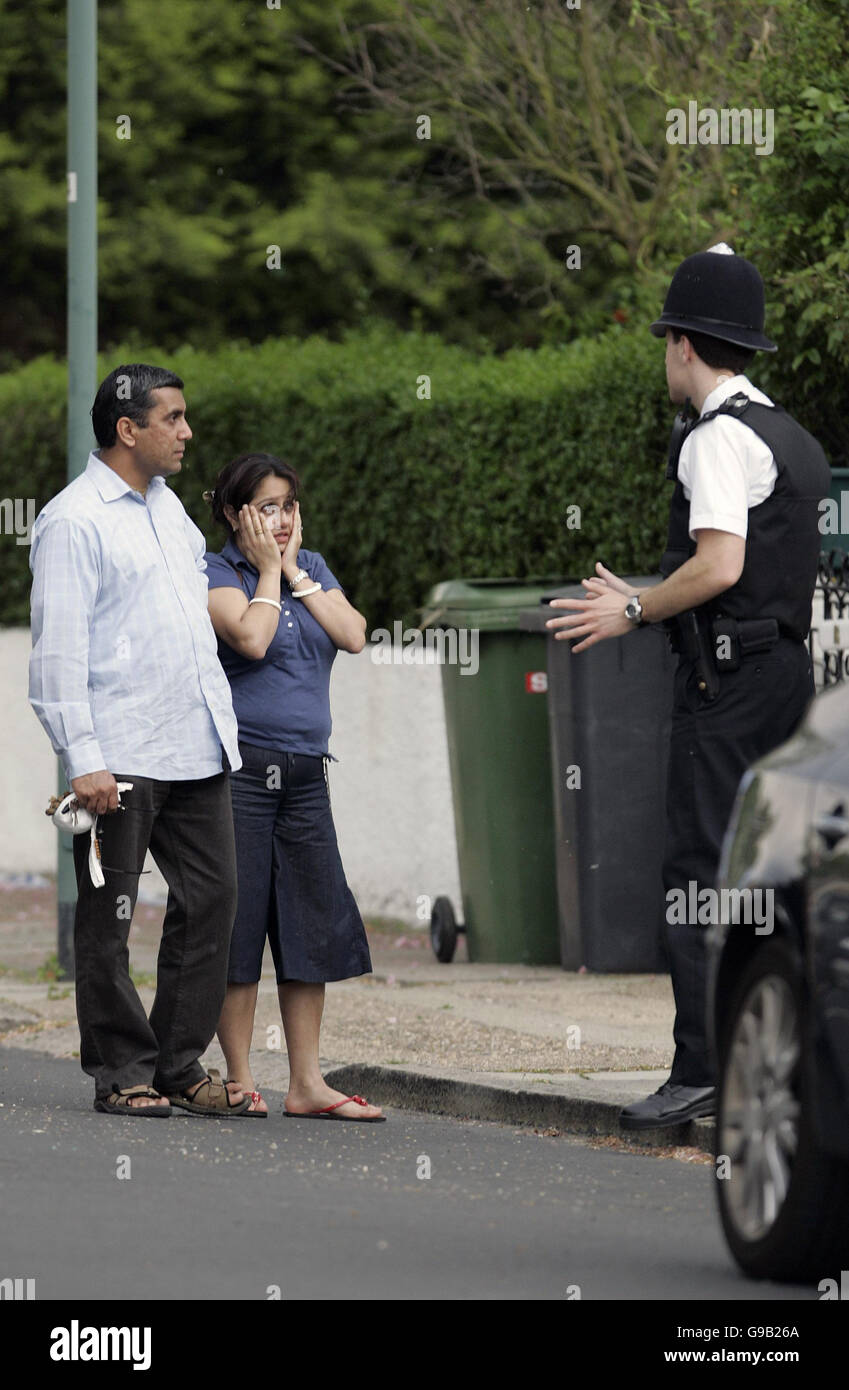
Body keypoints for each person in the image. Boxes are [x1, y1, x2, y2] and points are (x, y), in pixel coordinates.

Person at [545, 245, 831, 1129]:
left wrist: (633, 608)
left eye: (664, 340)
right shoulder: (793, 437)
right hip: (784, 674)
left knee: (700, 869)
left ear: (680, 343)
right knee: (770, 874)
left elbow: (715, 566)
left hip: (726, 680)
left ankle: (702, 1068)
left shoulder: (715, 438)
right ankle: (774, 1059)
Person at [29, 364, 252, 1117]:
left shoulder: (172, 511)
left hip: (195, 749)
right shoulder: (73, 520)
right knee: (109, 916)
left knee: (214, 899)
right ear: (129, 429)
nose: (188, 433)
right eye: (175, 419)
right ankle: (122, 1069)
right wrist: (83, 756)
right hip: (116, 761)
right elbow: (56, 653)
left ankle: (176, 1062)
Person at [202, 453, 385, 1121]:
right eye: (264, 507)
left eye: (286, 506)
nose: (279, 520)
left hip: (307, 773)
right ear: (233, 514)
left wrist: (294, 572)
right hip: (243, 772)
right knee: (241, 925)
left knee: (310, 925)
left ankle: (306, 1083)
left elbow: (355, 635)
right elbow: (250, 640)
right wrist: (272, 574)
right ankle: (240, 1077)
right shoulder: (217, 572)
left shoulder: (314, 571)